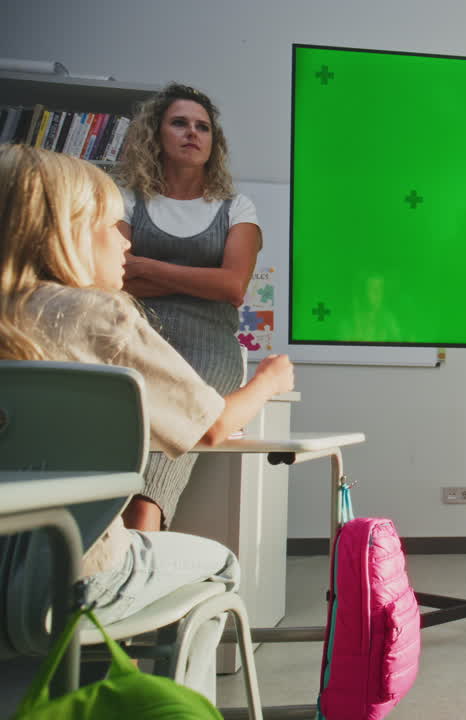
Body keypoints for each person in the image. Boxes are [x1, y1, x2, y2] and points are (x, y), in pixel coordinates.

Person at [0, 145, 292, 696]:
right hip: (74, 579)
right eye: (115, 225)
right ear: (68, 230)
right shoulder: (98, 315)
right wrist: (269, 382)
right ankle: (164, 704)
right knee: (220, 563)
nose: (129, 241)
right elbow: (210, 426)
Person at [112, 83, 263, 532]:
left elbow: (232, 286)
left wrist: (145, 267)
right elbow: (109, 279)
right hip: (134, 343)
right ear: (156, 133)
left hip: (208, 352)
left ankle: (146, 520)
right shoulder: (126, 199)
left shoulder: (236, 206)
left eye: (203, 127)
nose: (192, 133)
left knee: (165, 433)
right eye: (179, 123)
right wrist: (197, 280)